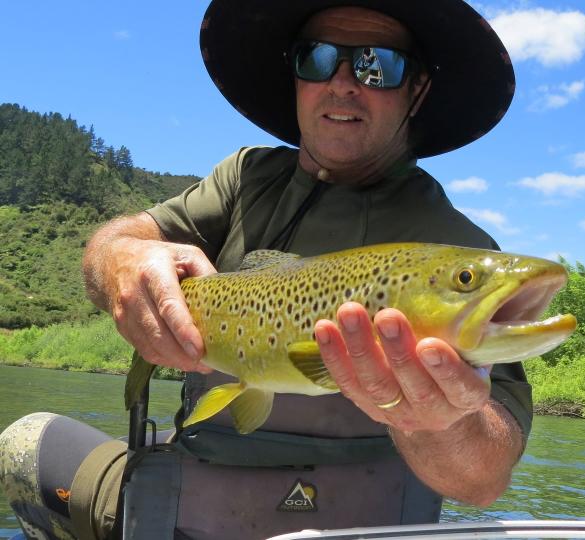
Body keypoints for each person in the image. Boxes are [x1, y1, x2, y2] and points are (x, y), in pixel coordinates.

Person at [0, 1, 532, 539]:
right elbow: (114, 242)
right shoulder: (247, 178)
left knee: (27, 444)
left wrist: (440, 421)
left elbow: (483, 478)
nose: (343, 82)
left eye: (377, 63)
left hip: (349, 529)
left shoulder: (459, 257)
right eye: (318, 58)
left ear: (415, 90)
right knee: (27, 440)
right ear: (295, 76)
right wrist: (123, 262)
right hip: (181, 504)